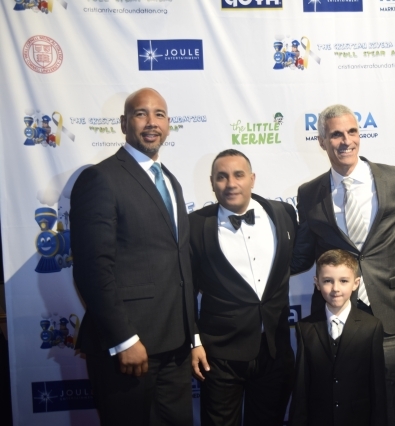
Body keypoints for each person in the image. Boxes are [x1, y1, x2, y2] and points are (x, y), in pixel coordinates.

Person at [291, 104, 395, 425]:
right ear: (322, 141)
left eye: (352, 132)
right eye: (336, 134)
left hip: (387, 310)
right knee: (339, 404)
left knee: (391, 404)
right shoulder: (309, 193)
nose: (346, 141)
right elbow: (302, 255)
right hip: (335, 317)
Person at [70, 88, 195, 425]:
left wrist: (192, 336)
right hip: (129, 348)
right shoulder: (100, 178)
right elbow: (92, 269)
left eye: (159, 114)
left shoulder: (170, 181)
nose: (151, 122)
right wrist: (123, 339)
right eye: (141, 114)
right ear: (124, 123)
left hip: (175, 347)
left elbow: (179, 264)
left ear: (168, 124)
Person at [189, 149, 298, 426]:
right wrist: (194, 341)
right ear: (212, 183)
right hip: (220, 355)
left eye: (238, 175)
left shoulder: (283, 213)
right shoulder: (195, 226)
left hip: (274, 349)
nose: (231, 183)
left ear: (252, 178)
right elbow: (185, 291)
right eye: (222, 177)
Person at [290, 249, 387, 426]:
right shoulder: (305, 328)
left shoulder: (371, 327)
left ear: (356, 283)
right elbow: (301, 387)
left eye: (343, 281)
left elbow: (378, 387)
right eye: (328, 281)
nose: (335, 288)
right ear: (317, 283)